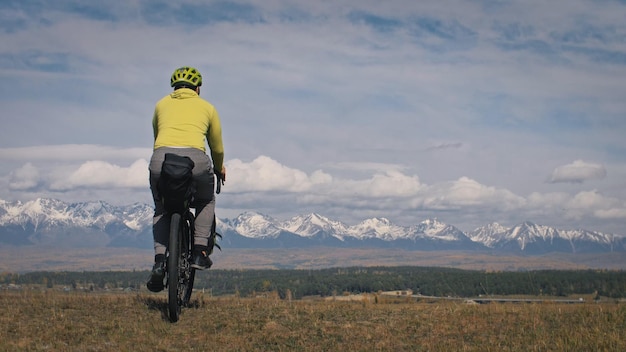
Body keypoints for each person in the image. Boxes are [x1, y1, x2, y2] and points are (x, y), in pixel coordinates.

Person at [146, 66, 226, 292]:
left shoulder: (161, 105)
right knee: (205, 200)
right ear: (197, 88)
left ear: (174, 87)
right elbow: (217, 147)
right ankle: (199, 252)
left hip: (162, 159)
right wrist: (219, 168)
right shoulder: (207, 108)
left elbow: (157, 136)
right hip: (196, 160)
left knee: (161, 207)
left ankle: (160, 261)